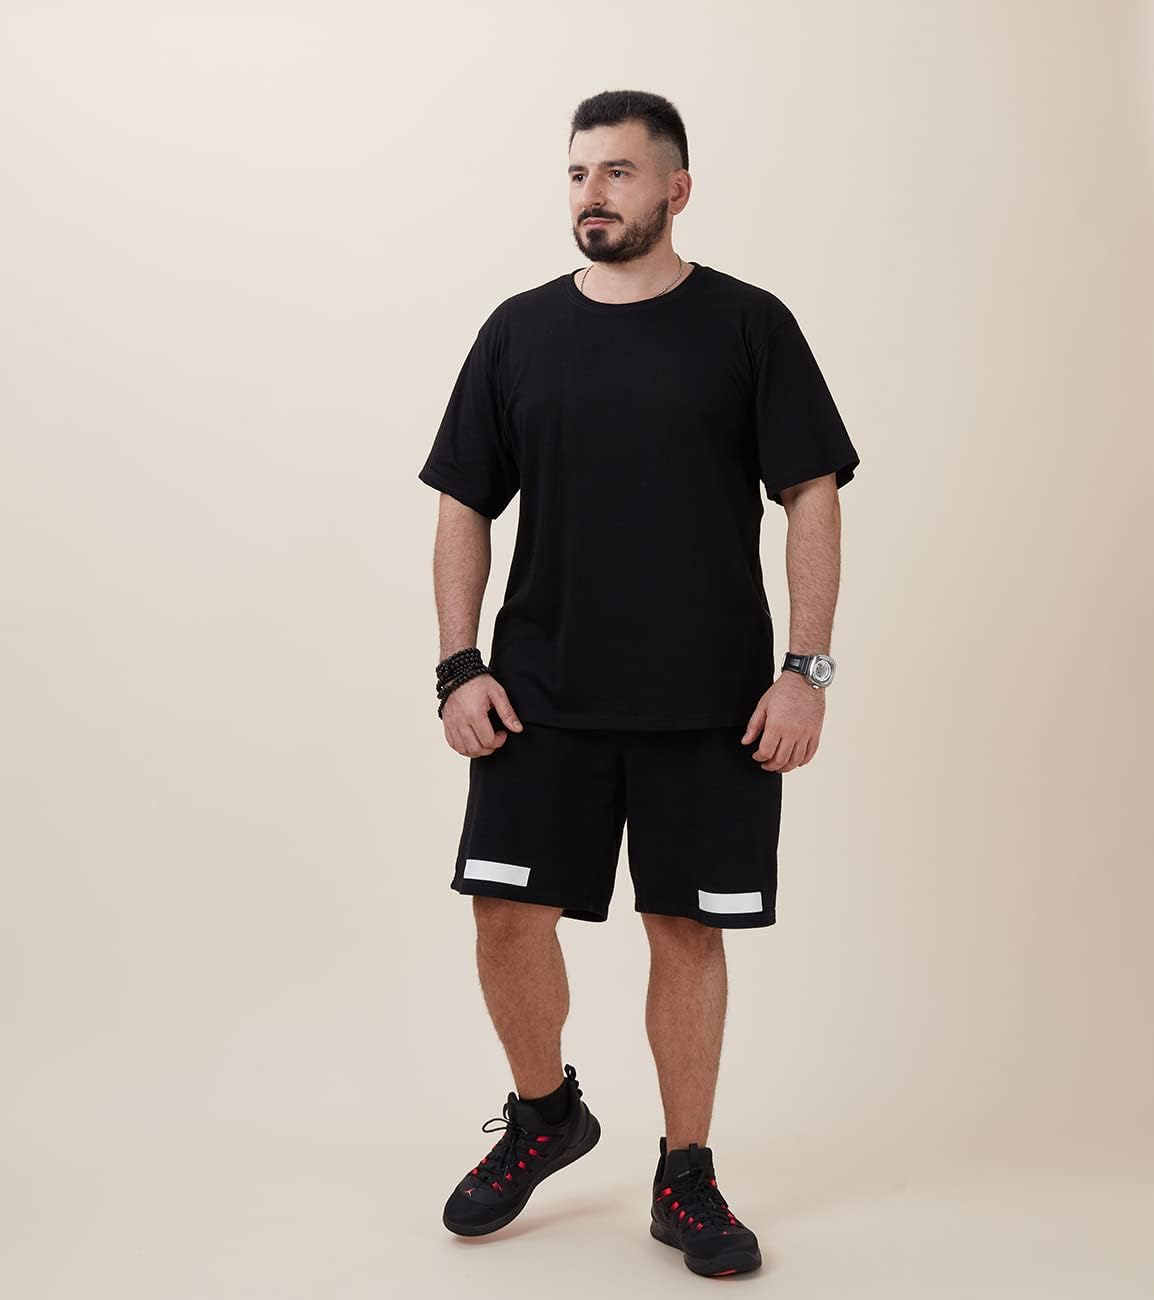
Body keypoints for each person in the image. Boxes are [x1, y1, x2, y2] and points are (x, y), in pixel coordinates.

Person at [417, 88, 860, 1279]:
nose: (591, 194)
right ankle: (544, 1114)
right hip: (539, 695)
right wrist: (457, 663)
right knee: (503, 916)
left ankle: (685, 1172)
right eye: (576, 173)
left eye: (616, 172)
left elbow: (809, 492)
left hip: (709, 703)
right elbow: (462, 502)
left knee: (686, 929)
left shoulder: (748, 325)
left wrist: (804, 671)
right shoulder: (517, 331)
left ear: (675, 187)